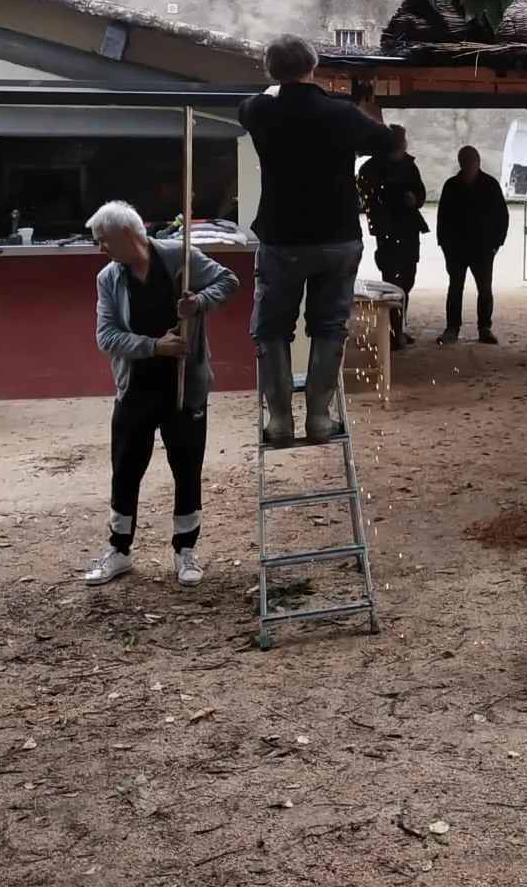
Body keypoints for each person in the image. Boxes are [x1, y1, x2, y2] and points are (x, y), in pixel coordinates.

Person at [238, 34, 391, 444]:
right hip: (336, 234)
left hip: (281, 236)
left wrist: (275, 87)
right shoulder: (339, 112)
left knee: (272, 328)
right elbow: (384, 142)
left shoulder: (258, 111)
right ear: (313, 65)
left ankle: (280, 422)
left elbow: (253, 106)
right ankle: (320, 418)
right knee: (328, 325)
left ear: (271, 71)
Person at [82, 201, 240, 587]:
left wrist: (199, 301)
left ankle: (185, 551)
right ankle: (119, 550)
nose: (100, 248)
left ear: (129, 235)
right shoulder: (109, 278)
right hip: (136, 386)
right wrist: (155, 346)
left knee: (187, 469)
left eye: (104, 241)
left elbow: (228, 282)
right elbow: (107, 337)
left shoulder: (180, 256)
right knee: (126, 469)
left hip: (185, 385)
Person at [358, 125, 427, 347]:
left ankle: (399, 327)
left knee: (407, 278)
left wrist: (414, 199)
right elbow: (369, 199)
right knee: (391, 282)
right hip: (388, 230)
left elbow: (420, 192)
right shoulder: (371, 169)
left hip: (408, 228)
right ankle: (394, 331)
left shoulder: (408, 166)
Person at [436, 146, 509, 344]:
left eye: (472, 161)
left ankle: (484, 327)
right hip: (456, 249)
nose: (469, 165)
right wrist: (445, 245)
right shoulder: (451, 186)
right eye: (465, 161)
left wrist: (496, 244)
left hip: (483, 248)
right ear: (460, 163)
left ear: (478, 162)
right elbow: (442, 218)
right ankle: (452, 328)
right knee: (455, 288)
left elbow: (502, 216)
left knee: (484, 289)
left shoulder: (490, 185)